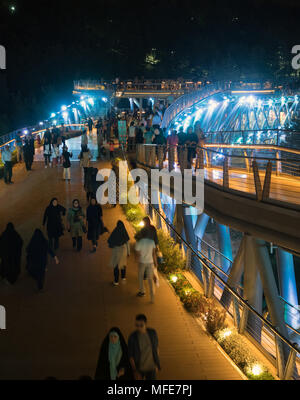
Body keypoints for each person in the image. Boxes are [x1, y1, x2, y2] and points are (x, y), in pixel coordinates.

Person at [128, 314, 161, 380]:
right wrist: (135, 371)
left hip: (151, 367)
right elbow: (130, 355)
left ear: (146, 324)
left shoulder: (152, 333)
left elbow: (156, 348)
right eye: (137, 325)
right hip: (139, 368)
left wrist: (156, 363)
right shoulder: (133, 337)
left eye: (141, 325)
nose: (139, 328)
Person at [135, 233, 157, 302]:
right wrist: (155, 262)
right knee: (150, 280)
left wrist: (136, 260)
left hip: (142, 262)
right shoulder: (152, 242)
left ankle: (142, 291)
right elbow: (153, 253)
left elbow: (137, 253)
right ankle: (152, 297)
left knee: (140, 277)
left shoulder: (140, 242)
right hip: (150, 262)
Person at [108, 220, 130, 286]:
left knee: (116, 265)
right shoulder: (124, 231)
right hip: (124, 249)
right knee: (123, 264)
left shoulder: (115, 231)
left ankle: (116, 281)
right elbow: (127, 242)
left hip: (116, 250)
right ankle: (123, 277)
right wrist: (128, 252)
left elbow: (110, 241)